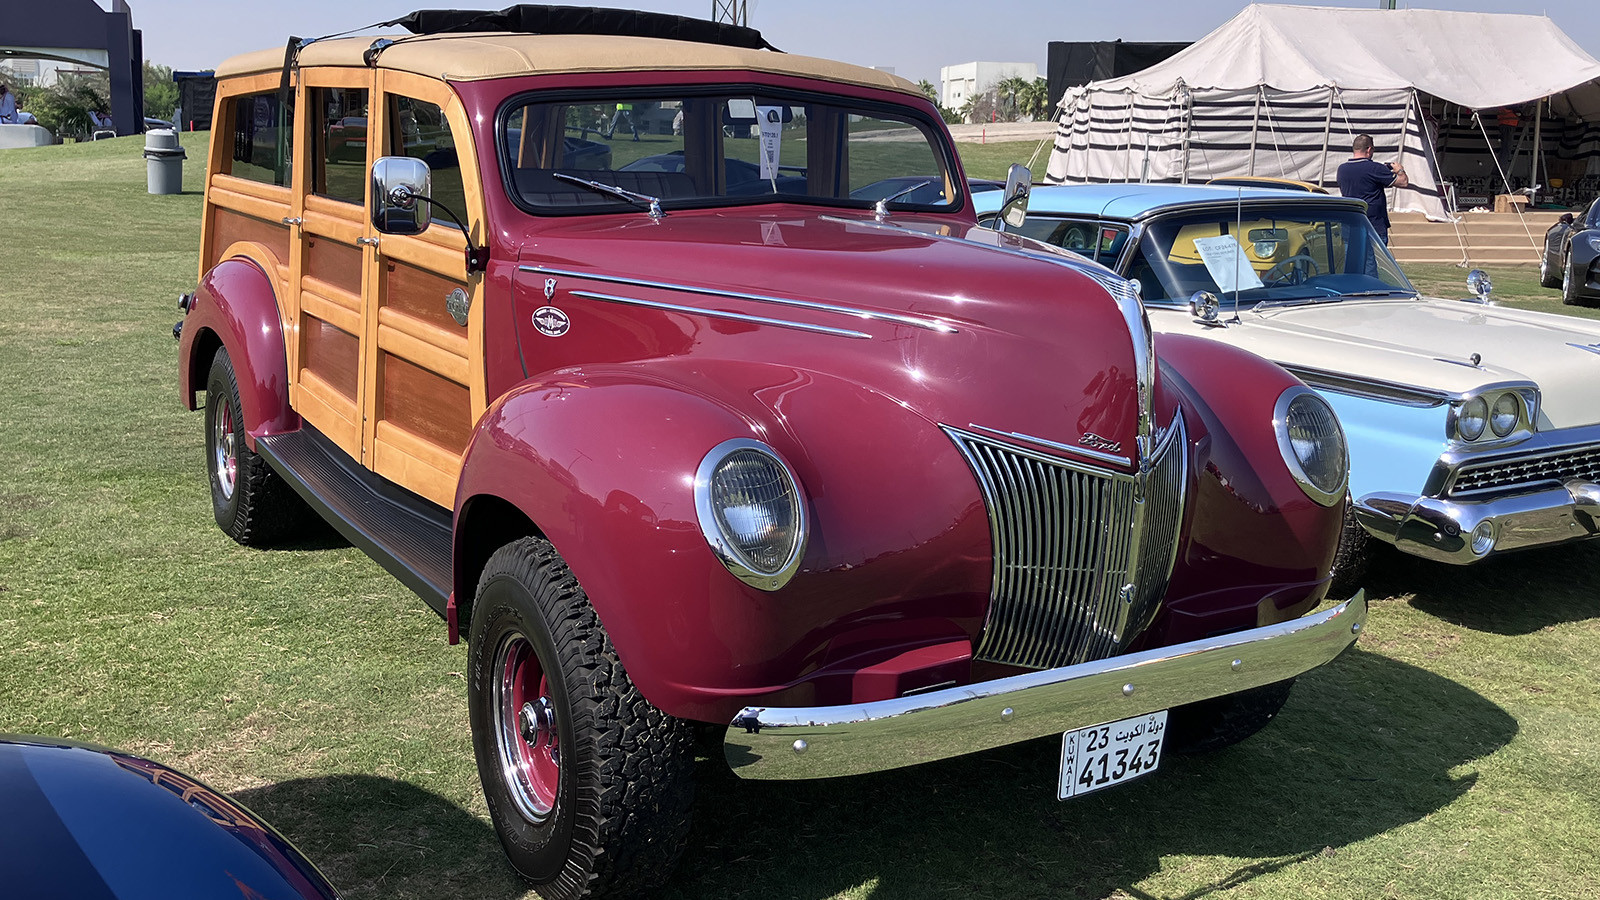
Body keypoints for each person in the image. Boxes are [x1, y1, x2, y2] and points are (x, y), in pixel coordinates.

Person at [1336, 134, 1408, 245]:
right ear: (1369, 149)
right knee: (1373, 261)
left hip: (1350, 222)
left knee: (1351, 260)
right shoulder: (1375, 168)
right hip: (1373, 225)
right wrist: (1399, 170)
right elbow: (1403, 182)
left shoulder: (1342, 169)